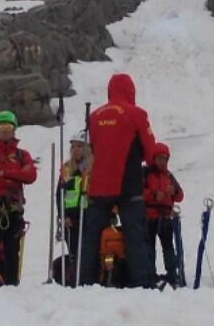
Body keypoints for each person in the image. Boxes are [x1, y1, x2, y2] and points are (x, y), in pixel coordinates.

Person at [79, 72, 161, 288]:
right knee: (135, 234)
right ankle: (143, 283)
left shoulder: (94, 116)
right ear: (131, 91)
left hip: (99, 185)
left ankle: (85, 282)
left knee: (92, 236)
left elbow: (92, 150)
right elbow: (151, 152)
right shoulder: (137, 114)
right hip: (128, 183)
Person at [0, 110, 38, 285]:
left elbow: (31, 176)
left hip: (14, 209)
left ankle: (12, 286)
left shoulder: (22, 155)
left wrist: (4, 173)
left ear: (14, 129)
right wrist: (15, 178)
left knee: (12, 251)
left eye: (8, 127)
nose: (5, 131)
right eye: (2, 127)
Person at [143, 143, 184, 287]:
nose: (162, 161)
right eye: (159, 158)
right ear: (153, 158)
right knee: (150, 247)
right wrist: (153, 195)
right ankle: (150, 275)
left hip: (165, 217)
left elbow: (180, 196)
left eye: (165, 158)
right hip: (149, 216)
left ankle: (172, 275)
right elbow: (139, 192)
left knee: (168, 247)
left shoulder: (169, 176)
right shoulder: (145, 173)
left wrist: (174, 191)